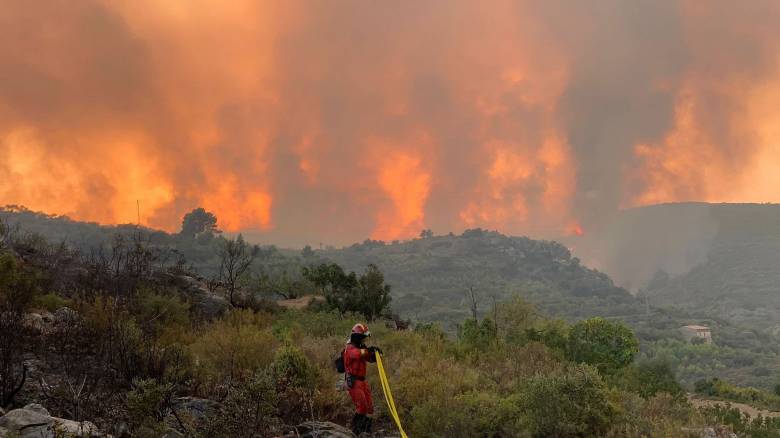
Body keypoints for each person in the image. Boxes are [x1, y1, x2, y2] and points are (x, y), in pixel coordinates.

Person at [344, 323, 382, 435]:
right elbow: (356, 354)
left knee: (370, 407)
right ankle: (356, 431)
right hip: (354, 382)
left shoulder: (361, 348)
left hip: (362, 381)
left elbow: (368, 357)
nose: (364, 340)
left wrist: (376, 354)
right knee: (362, 407)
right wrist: (367, 351)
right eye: (363, 337)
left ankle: (366, 431)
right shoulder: (350, 348)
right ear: (357, 337)